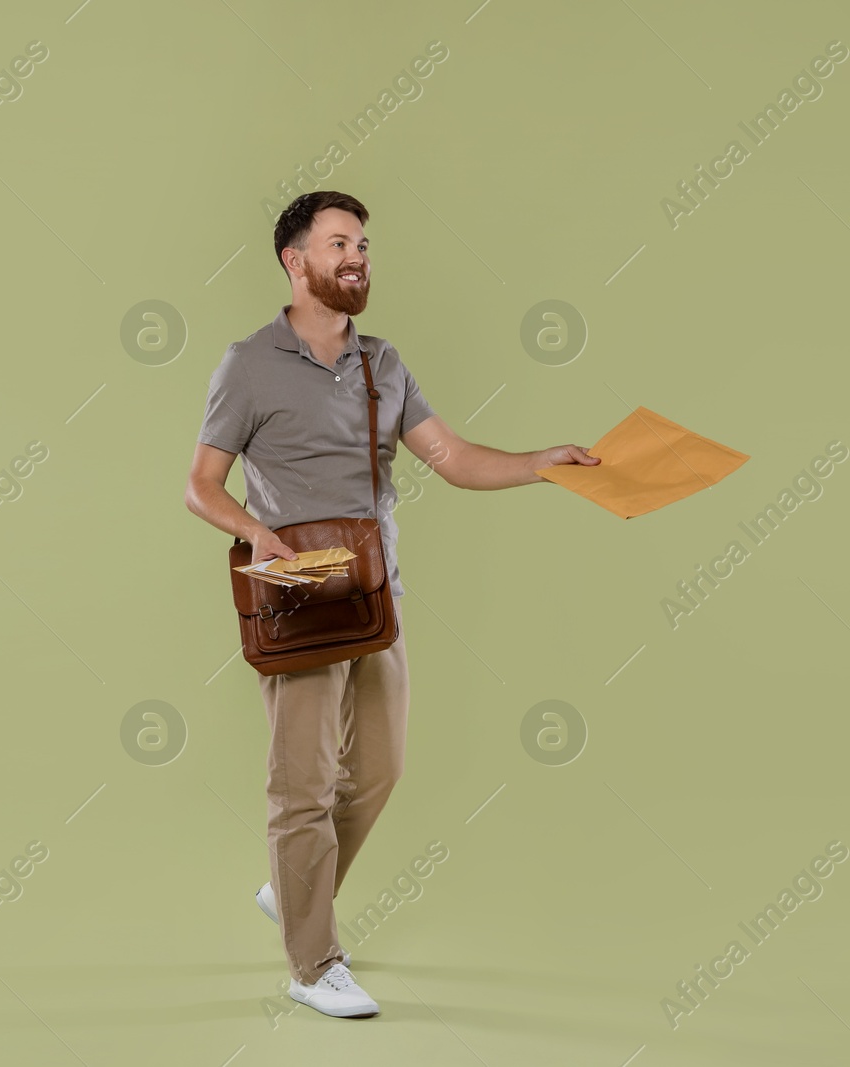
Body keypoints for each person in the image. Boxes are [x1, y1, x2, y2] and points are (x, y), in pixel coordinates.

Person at [183, 190, 599, 1019]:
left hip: (377, 595)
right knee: (301, 786)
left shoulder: (384, 363)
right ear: (294, 262)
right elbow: (200, 485)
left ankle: (293, 884)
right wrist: (256, 534)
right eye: (338, 243)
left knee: (377, 769)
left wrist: (541, 461)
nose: (357, 257)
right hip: (298, 595)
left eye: (363, 244)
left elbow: (451, 456)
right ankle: (312, 962)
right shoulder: (249, 363)